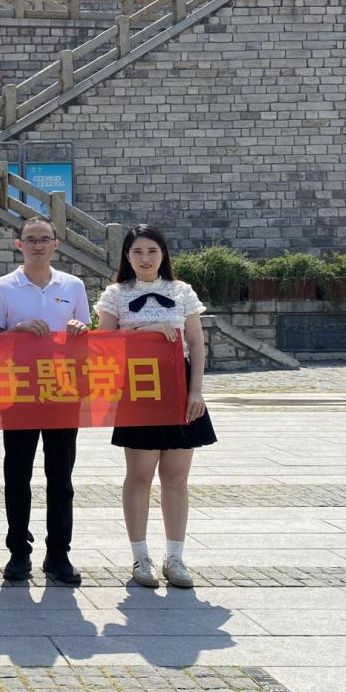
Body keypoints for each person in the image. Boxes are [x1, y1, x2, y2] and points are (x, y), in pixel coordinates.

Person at [95, 223, 214, 590]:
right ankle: (140, 556)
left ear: (163, 255)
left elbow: (196, 343)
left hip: (179, 386)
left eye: (152, 251)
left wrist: (196, 391)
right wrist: (143, 333)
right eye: (137, 252)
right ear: (126, 256)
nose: (145, 258)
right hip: (138, 390)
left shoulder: (182, 291)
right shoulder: (115, 294)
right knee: (140, 475)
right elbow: (103, 343)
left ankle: (175, 557)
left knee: (176, 476)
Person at [0, 217, 91, 585]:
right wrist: (16, 331)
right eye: (30, 239)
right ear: (18, 245)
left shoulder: (73, 285)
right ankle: (18, 551)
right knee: (17, 475)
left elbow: (87, 338)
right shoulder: (2, 287)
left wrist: (80, 330)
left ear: (56, 244)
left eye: (44, 239)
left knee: (61, 477)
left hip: (62, 391)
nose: (37, 245)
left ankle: (58, 553)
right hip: (18, 392)